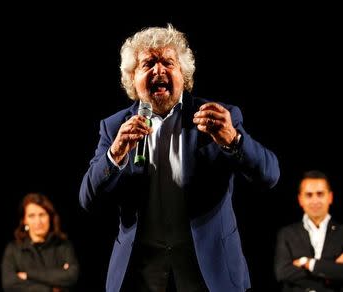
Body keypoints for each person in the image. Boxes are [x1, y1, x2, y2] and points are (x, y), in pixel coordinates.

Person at [79, 24, 280, 292]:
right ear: (132, 77)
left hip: (209, 272)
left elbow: (269, 176)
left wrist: (233, 140)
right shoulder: (114, 127)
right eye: (148, 63)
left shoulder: (218, 117)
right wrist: (114, 154)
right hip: (140, 276)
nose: (159, 70)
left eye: (168, 62)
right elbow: (87, 199)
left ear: (183, 75)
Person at [274, 170, 343, 291]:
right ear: (300, 199)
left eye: (320, 194)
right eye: (309, 195)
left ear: (330, 197)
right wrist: (330, 271)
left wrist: (307, 262)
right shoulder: (286, 234)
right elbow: (282, 273)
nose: (315, 200)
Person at [1, 192, 79, 292]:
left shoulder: (63, 245)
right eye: (31, 216)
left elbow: (72, 277)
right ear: (24, 220)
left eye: (42, 215)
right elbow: (9, 284)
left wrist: (28, 275)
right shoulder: (14, 249)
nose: (38, 221)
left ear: (50, 217)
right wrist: (50, 288)